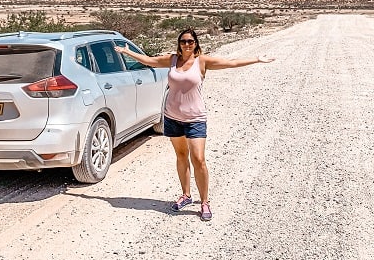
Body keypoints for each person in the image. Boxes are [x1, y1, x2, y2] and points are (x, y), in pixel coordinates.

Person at [114, 27, 274, 221]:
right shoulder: (172, 60)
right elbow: (149, 61)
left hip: (195, 118)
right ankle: (186, 195)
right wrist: (126, 52)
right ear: (179, 44)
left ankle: (205, 201)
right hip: (172, 117)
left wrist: (256, 59)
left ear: (196, 43)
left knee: (198, 159)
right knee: (181, 156)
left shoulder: (202, 62)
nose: (187, 44)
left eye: (190, 41)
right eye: (183, 41)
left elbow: (231, 63)